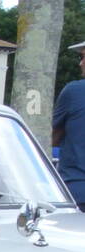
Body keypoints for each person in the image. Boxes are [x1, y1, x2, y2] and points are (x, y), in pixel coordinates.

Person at [52, 41, 85, 209]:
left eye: (84, 57)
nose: (81, 63)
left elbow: (53, 137)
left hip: (77, 189)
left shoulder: (74, 91)